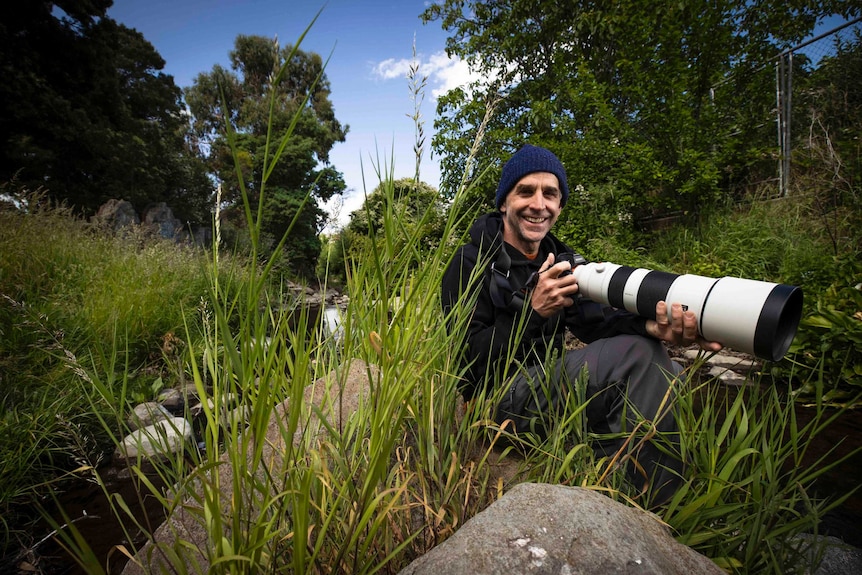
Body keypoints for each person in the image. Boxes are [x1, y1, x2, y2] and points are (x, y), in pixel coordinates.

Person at [440, 144, 722, 503]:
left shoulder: (562, 260)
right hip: (491, 402)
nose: (538, 204)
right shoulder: (469, 263)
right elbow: (464, 364)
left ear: (559, 205)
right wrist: (532, 311)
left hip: (548, 389)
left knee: (664, 365)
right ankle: (644, 506)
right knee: (637, 357)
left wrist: (658, 329)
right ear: (503, 202)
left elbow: (599, 324)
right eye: (525, 191)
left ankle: (632, 484)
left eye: (550, 194)